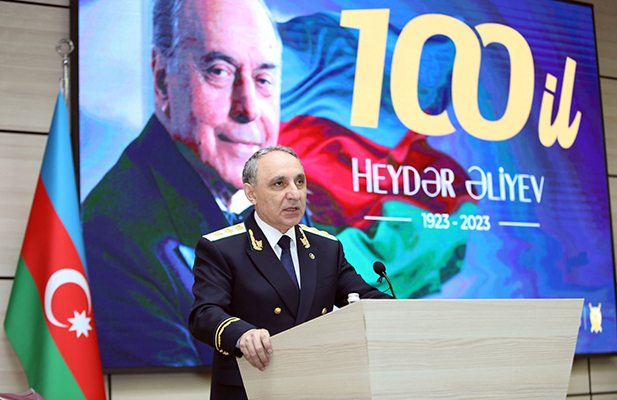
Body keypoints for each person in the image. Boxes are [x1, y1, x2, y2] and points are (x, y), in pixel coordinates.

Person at [81, 0, 307, 368]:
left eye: (263, 79)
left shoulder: (284, 205)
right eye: (219, 71)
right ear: (162, 81)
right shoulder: (114, 239)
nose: (249, 107)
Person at [189, 146, 391, 399]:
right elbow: (204, 313)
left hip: (316, 387)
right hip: (252, 386)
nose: (294, 194)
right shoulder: (221, 248)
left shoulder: (326, 248)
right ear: (251, 193)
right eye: (279, 184)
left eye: (300, 182)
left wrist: (408, 315)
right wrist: (241, 335)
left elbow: (366, 300)